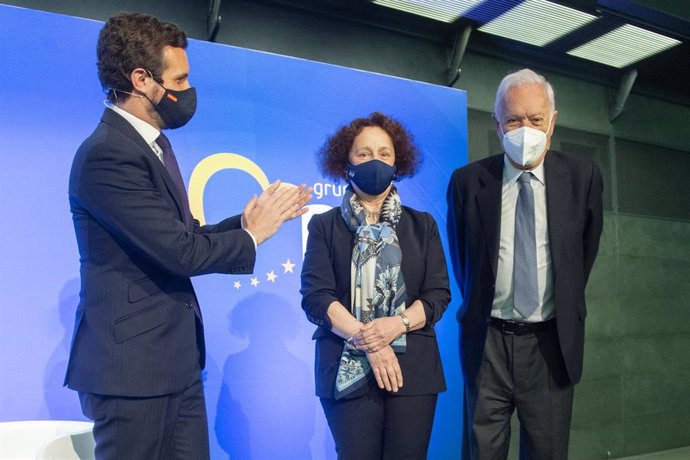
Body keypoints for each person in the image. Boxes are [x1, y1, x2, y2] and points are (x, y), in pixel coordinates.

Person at [64, 13, 311, 459]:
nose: (187, 90)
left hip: (173, 366)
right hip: (132, 374)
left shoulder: (151, 145)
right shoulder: (107, 155)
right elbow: (180, 252)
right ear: (141, 79)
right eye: (179, 79)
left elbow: (184, 234)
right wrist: (252, 236)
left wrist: (246, 221)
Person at [446, 68, 604, 459]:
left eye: (535, 119)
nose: (525, 128)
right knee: (482, 452)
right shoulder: (467, 182)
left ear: (552, 122)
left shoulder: (582, 177)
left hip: (550, 343)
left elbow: (582, 256)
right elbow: (462, 261)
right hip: (487, 343)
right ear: (497, 125)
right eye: (514, 119)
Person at [301, 112, 451, 459]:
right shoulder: (324, 226)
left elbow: (437, 295)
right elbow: (315, 296)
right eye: (363, 153)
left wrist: (394, 326)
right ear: (345, 161)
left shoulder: (422, 225)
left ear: (398, 161)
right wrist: (368, 338)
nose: (375, 161)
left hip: (413, 368)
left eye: (384, 154)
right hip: (345, 365)